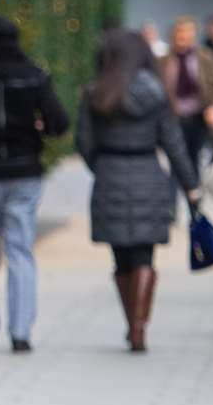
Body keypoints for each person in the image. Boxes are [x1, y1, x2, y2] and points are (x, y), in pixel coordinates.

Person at [75, 29, 201, 353]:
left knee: (121, 257)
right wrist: (190, 185)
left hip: (110, 174)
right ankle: (140, 326)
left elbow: (84, 144)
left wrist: (102, 167)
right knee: (145, 252)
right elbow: (173, 143)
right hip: (148, 173)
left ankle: (130, 322)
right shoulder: (157, 94)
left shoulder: (95, 94)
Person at [0, 16, 70, 353]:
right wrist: (35, 127)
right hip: (24, 170)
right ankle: (21, 330)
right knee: (20, 250)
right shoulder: (33, 75)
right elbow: (60, 123)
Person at [158, 15, 213, 176]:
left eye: (188, 32)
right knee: (175, 158)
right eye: (180, 32)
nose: (183, 37)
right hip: (173, 116)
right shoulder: (164, 61)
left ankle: (194, 194)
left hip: (198, 116)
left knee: (195, 157)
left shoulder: (205, 57)